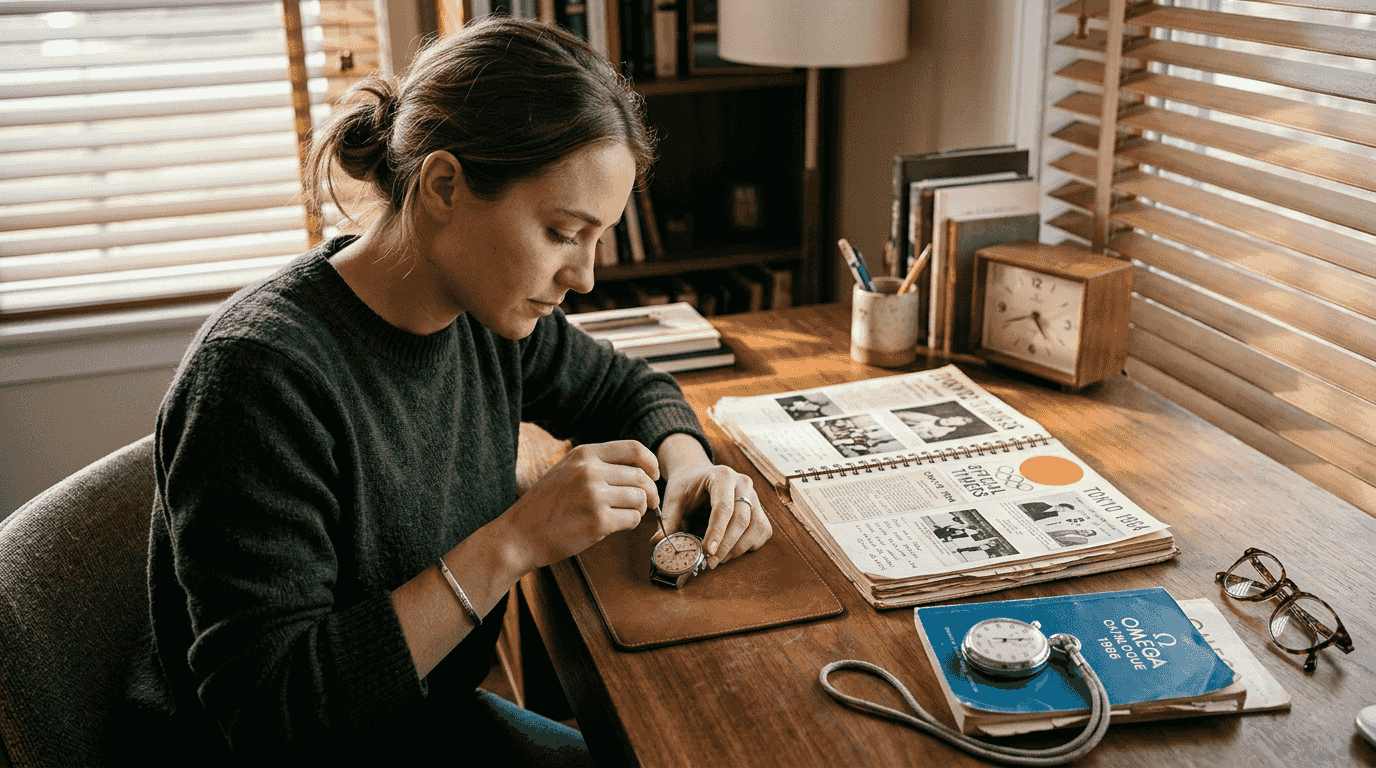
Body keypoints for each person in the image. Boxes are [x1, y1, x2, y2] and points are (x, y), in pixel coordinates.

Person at [125, 17, 770, 764]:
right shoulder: (258, 379)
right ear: (443, 187)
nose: (585, 276)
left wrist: (690, 467)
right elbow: (276, 717)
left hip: (429, 718)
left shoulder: (483, 311)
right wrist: (515, 541)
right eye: (563, 232)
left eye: (597, 238)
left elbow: (628, 387)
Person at [896, 410, 973, 441]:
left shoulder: (939, 433)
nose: (956, 418)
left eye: (963, 421)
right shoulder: (932, 417)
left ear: (961, 425)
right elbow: (902, 414)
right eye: (961, 417)